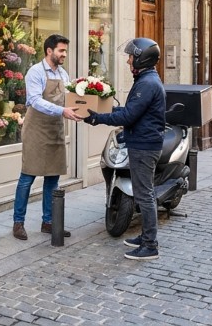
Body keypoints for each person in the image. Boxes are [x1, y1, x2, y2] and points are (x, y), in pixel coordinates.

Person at [84, 38, 165, 261]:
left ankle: (150, 245)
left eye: (131, 56)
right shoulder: (146, 80)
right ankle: (146, 237)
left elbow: (129, 116)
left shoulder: (147, 83)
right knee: (143, 193)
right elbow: (132, 110)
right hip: (143, 142)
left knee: (145, 195)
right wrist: (107, 107)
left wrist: (98, 118)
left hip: (144, 145)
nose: (128, 60)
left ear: (142, 58)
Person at [11, 34, 81, 241]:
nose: (64, 55)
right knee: (27, 177)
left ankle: (49, 222)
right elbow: (34, 101)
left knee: (53, 177)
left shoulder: (63, 73)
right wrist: (62, 111)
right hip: (36, 130)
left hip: (55, 130)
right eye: (61, 50)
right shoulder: (35, 72)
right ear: (49, 51)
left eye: (65, 51)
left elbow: (68, 97)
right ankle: (18, 222)